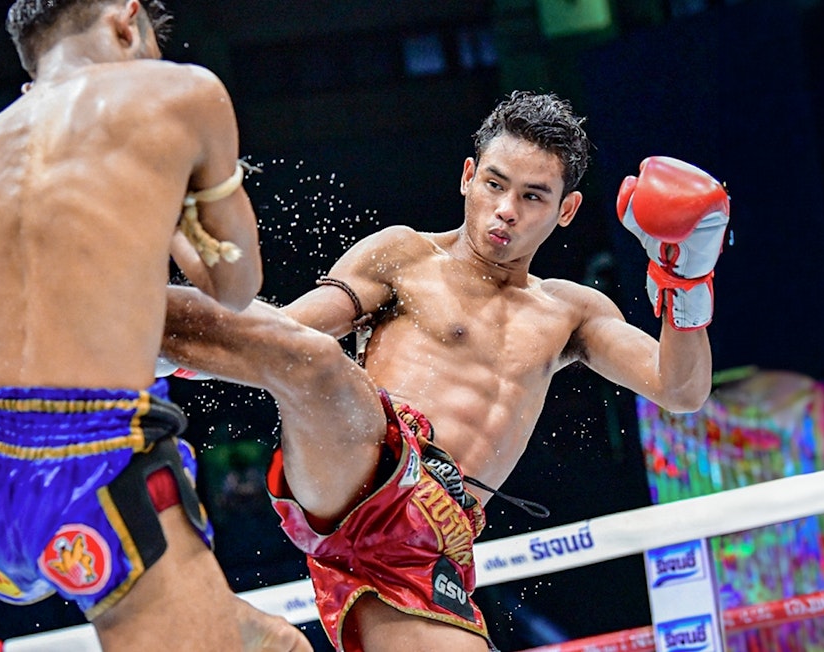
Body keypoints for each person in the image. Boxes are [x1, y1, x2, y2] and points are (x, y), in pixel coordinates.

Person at [158, 90, 729, 651]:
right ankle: (136, 333)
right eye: (495, 183)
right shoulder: (405, 256)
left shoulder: (571, 312)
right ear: (467, 176)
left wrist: (687, 281)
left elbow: (680, 389)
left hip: (431, 546)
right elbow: (295, 330)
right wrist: (197, 348)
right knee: (315, 359)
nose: (507, 209)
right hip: (368, 460)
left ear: (566, 210)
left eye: (533, 196)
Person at [0, 1, 310, 649]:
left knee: (273, 643)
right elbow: (234, 288)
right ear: (128, 21)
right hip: (93, 463)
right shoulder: (179, 92)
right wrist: (184, 208)